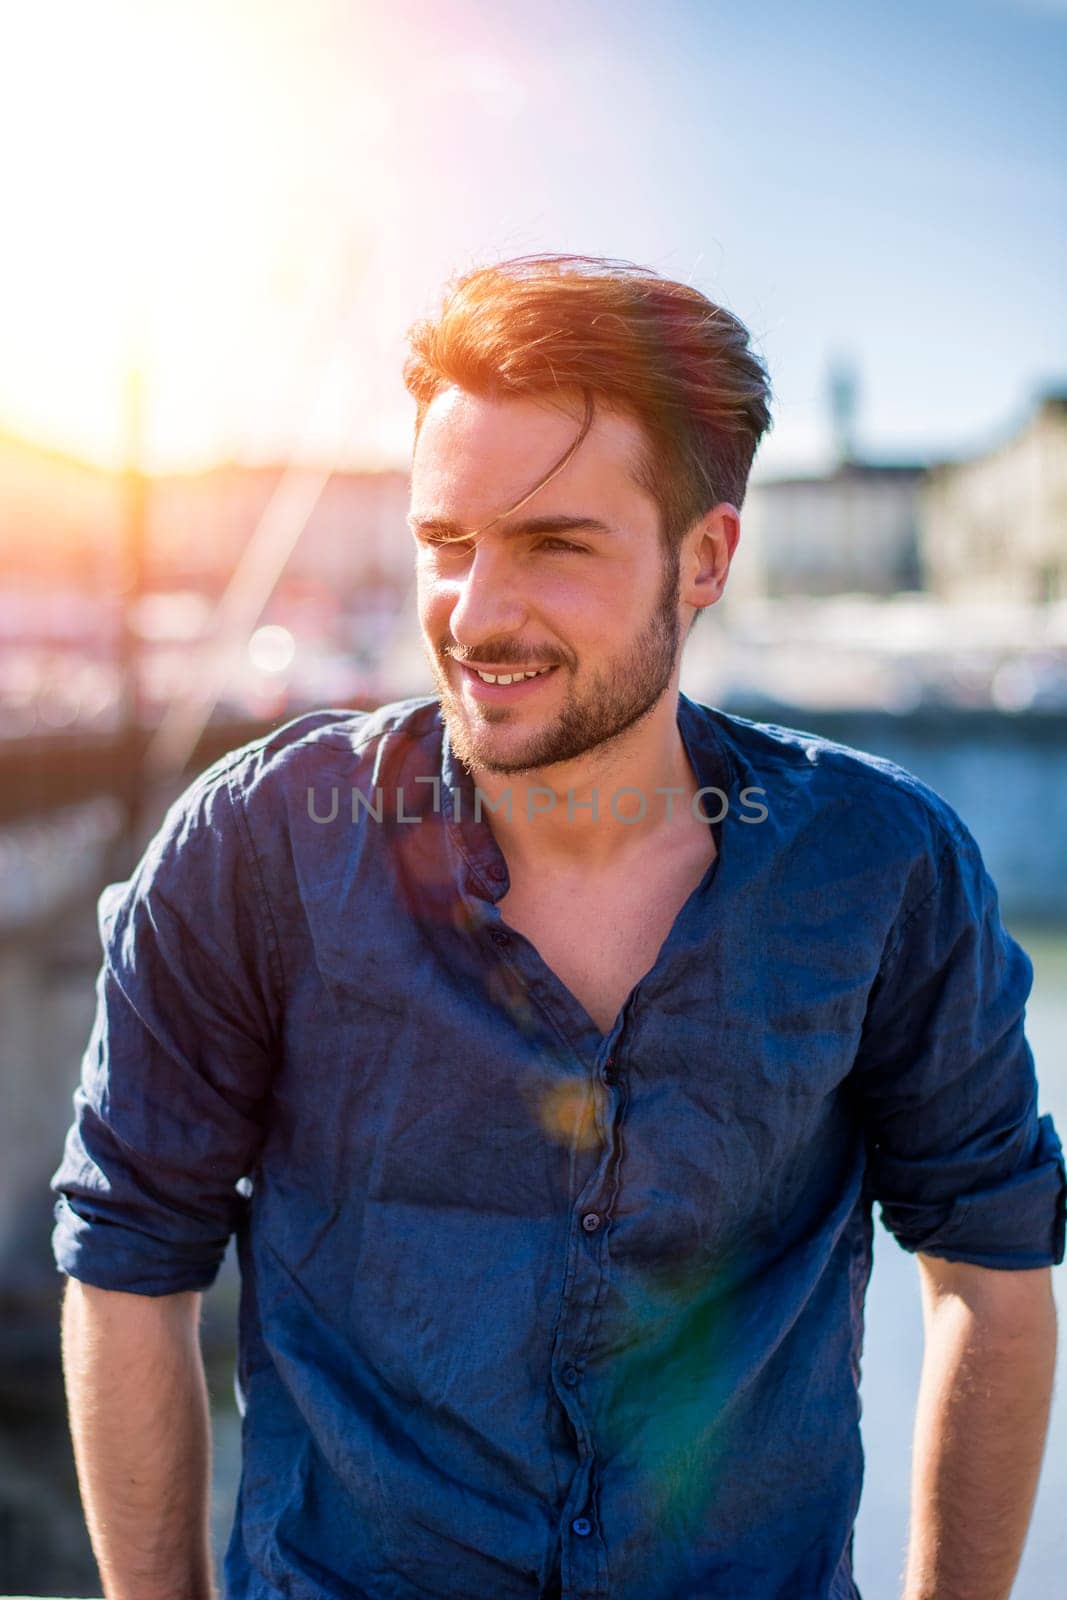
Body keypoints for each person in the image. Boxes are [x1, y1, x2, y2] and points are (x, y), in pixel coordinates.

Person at [52, 254, 1064, 1600]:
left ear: (704, 558)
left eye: (553, 544)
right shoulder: (253, 854)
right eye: (445, 542)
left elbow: (991, 1277)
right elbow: (127, 1264)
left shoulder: (882, 871)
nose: (475, 610)